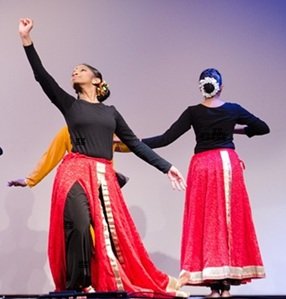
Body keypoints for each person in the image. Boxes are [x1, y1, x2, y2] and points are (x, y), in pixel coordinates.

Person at [18, 18, 187, 296]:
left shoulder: (111, 112)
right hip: (73, 173)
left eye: (82, 69)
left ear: (97, 80)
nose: (75, 71)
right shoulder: (70, 106)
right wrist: (26, 40)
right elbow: (42, 77)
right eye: (74, 70)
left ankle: (96, 282)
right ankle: (77, 286)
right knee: (80, 226)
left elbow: (134, 143)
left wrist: (166, 167)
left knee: (113, 235)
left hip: (103, 176)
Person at [141, 68, 270, 297]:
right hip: (226, 165)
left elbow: (165, 139)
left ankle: (214, 288)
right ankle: (226, 289)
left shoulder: (193, 112)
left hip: (203, 167)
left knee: (208, 222)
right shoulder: (233, 109)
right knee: (228, 222)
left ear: (200, 86)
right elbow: (262, 128)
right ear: (221, 86)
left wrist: (132, 143)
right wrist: (236, 130)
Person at [8, 126, 130, 188]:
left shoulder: (107, 133)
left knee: (105, 228)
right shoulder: (68, 131)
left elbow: (134, 145)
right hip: (79, 186)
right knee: (81, 227)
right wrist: (29, 180)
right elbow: (51, 155)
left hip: (102, 188)